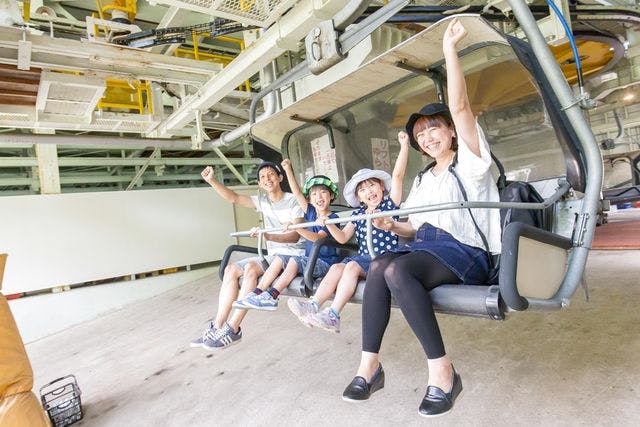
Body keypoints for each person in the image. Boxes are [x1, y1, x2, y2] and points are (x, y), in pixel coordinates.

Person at [341, 18, 501, 418]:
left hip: (467, 252)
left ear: (450, 132)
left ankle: (442, 371)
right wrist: (392, 226)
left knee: (396, 272)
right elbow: (411, 226)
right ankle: (369, 366)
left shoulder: (471, 163)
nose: (427, 137)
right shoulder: (422, 179)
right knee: (379, 265)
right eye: (420, 135)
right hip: (428, 248)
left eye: (434, 128)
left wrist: (449, 52)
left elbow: (462, 107)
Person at [287, 135, 409, 333]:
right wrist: (328, 224)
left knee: (351, 266)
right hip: (364, 259)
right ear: (358, 197)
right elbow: (342, 237)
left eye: (372, 185)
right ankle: (314, 304)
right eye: (362, 189)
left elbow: (398, 177)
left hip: (386, 258)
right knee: (337, 268)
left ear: (381, 187)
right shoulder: (358, 214)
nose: (368, 191)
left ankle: (333, 314)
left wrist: (404, 146)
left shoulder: (389, 205)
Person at [190, 161, 304, 350]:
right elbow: (234, 198)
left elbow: (294, 236)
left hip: (291, 257)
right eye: (262, 177)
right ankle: (218, 326)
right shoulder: (263, 201)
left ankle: (233, 329)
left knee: (251, 268)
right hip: (271, 256)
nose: (267, 179)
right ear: (259, 184)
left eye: (271, 175)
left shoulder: (293, 201)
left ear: (280, 178)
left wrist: (267, 235)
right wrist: (212, 181)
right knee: (231, 269)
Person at [234, 160, 342, 311]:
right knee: (279, 259)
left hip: (324, 263)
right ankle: (257, 293)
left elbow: (319, 239)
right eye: (314, 194)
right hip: (309, 260)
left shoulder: (333, 218)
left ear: (331, 196)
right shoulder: (311, 212)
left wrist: (296, 228)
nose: (319, 197)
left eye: (323, 192)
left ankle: (272, 295)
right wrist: (288, 169)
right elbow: (297, 192)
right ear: (310, 200)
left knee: (294, 262)